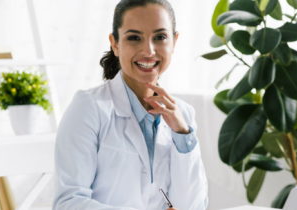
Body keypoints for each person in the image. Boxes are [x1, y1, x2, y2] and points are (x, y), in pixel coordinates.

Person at [52, 0, 208, 209]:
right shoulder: (89, 108)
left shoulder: (184, 115)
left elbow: (193, 206)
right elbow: (67, 203)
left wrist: (182, 134)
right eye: (134, 38)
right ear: (115, 44)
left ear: (174, 42)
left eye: (160, 37)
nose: (148, 50)